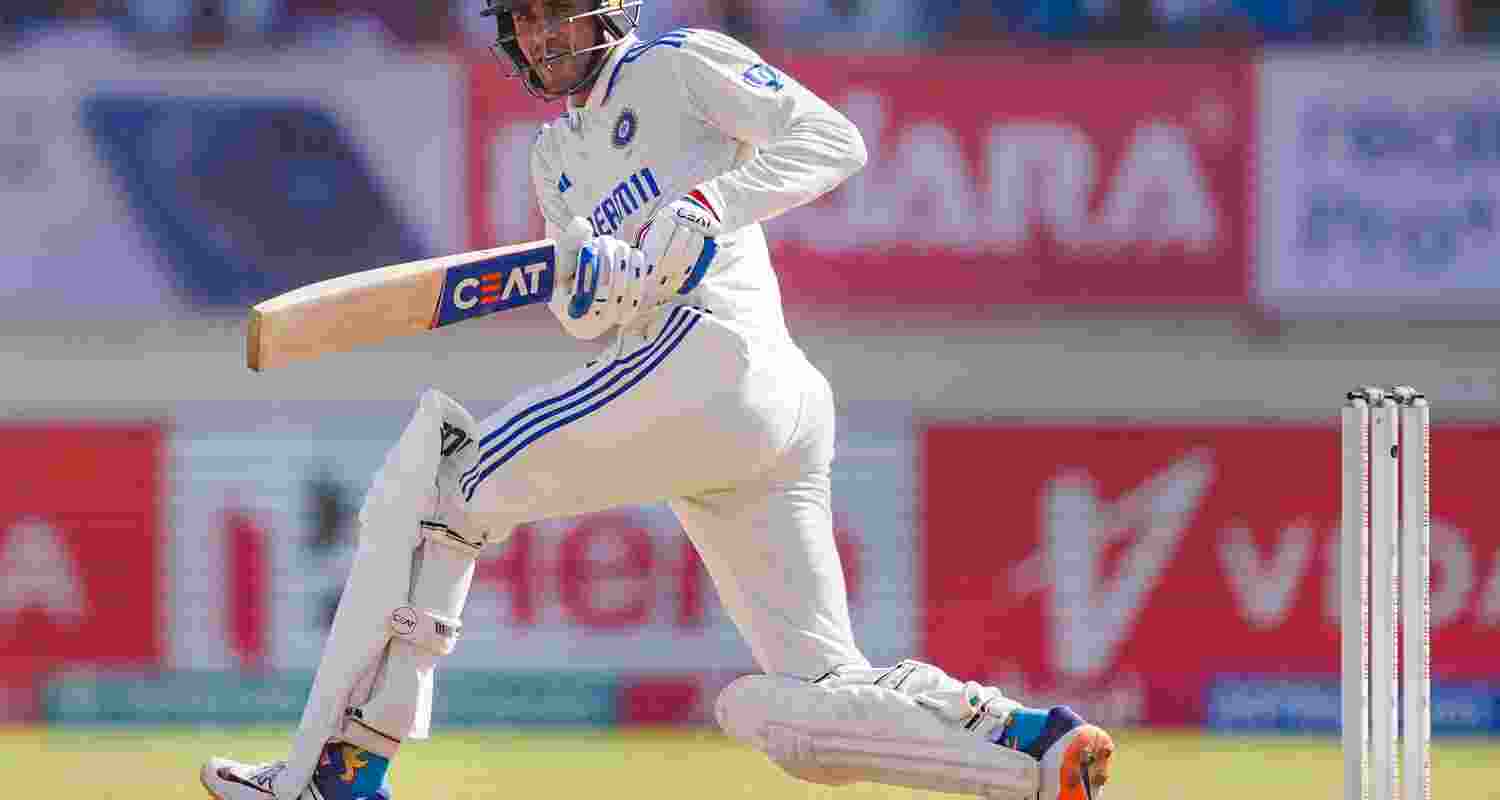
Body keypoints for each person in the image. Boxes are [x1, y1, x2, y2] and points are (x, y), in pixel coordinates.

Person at [198, 2, 1115, 799]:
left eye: (555, 9)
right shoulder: (554, 158)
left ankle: (340, 772)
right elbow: (580, 313)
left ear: (608, 7)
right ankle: (1029, 750)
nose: (540, 33)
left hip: (722, 357)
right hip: (718, 405)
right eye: (520, 19)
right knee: (806, 704)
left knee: (442, 486)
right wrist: (600, 287)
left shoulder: (678, 66)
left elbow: (835, 140)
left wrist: (715, 203)